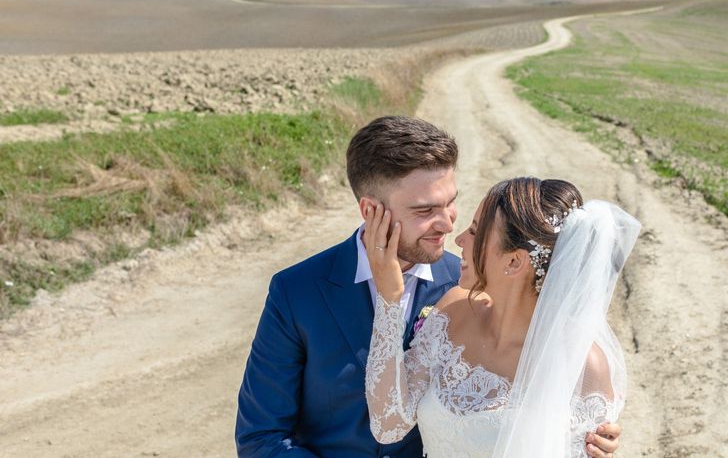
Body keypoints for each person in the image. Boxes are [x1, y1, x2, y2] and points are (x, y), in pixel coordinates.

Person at [235, 116, 622, 457]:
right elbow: (262, 438)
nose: (448, 226)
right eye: (425, 211)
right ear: (371, 211)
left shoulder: (471, 282)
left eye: (450, 203)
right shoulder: (296, 291)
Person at [364, 177, 641, 458]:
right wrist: (390, 301)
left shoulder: (582, 363)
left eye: (475, 232)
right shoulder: (453, 312)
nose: (459, 239)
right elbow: (389, 425)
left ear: (514, 262)